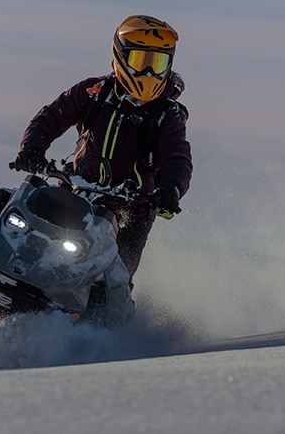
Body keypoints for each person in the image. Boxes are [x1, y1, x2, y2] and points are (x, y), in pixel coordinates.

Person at [11, 14, 193, 281]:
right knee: (14, 223)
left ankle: (103, 323)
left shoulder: (167, 115)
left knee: (114, 277)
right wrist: (32, 149)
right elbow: (51, 116)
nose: (148, 73)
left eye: (157, 64)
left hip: (131, 213)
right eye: (140, 62)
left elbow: (177, 156)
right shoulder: (94, 92)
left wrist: (170, 189)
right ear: (121, 57)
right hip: (75, 194)